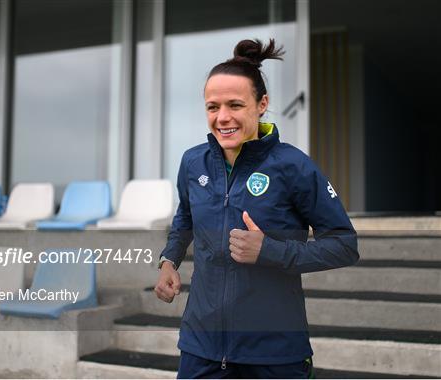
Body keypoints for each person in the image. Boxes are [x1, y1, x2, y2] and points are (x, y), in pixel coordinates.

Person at [154, 38, 359, 379]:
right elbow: (185, 217)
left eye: (235, 105)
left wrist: (271, 251)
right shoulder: (193, 162)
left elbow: (344, 245)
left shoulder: (293, 166)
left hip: (274, 351)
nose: (222, 118)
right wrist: (169, 260)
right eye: (212, 107)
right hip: (201, 345)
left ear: (262, 104)